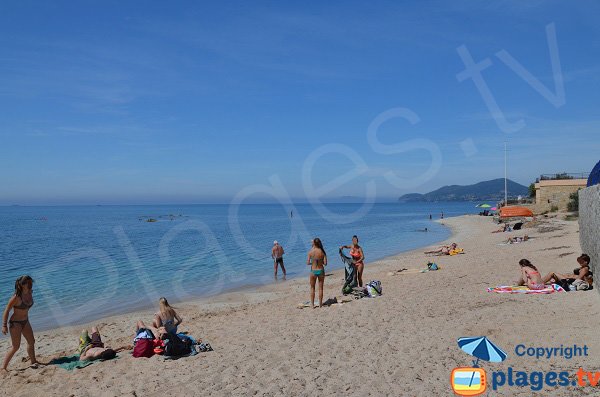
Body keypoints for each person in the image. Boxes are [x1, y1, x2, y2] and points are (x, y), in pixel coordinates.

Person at [2, 275, 38, 371]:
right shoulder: (16, 297)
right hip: (15, 323)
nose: (30, 284)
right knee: (16, 347)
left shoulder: (30, 292)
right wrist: (4, 325)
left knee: (31, 341)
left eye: (31, 282)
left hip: (25, 321)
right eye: (28, 283)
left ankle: (33, 361)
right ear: (22, 285)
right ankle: (3, 368)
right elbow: (6, 310)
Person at [307, 238, 327, 309]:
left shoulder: (310, 252)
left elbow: (307, 263)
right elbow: (325, 263)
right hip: (321, 270)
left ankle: (312, 305)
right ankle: (320, 304)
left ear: (314, 244)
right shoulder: (322, 252)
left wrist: (313, 262)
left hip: (313, 271)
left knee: (312, 288)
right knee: (320, 288)